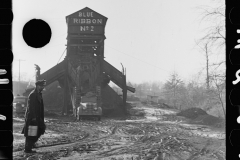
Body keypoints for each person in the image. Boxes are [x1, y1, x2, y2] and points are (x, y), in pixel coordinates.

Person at [21, 79, 46, 153]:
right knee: (31, 132)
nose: (43, 87)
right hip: (32, 117)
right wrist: (33, 118)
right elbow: (30, 107)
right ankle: (27, 149)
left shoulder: (38, 93)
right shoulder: (33, 94)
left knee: (41, 129)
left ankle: (31, 144)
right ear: (38, 86)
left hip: (38, 116)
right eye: (42, 86)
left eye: (43, 86)